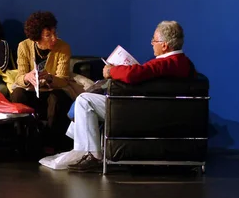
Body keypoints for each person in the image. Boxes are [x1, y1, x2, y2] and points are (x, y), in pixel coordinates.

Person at [67, 20, 196, 173]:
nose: (151, 43)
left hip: (139, 111)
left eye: (154, 40)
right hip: (157, 110)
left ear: (165, 45)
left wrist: (110, 71)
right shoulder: (185, 63)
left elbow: (133, 74)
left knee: (84, 100)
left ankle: (92, 155)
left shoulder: (165, 63)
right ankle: (86, 148)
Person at [12, 12, 91, 152]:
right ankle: (22, 138)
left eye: (55, 33)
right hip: (31, 90)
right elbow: (19, 77)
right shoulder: (23, 46)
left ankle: (50, 143)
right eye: (48, 35)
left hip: (52, 90)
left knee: (57, 98)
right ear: (36, 37)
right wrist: (27, 77)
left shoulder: (63, 47)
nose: (54, 38)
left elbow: (63, 80)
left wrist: (49, 78)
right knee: (17, 94)